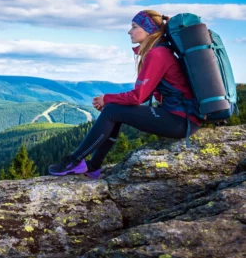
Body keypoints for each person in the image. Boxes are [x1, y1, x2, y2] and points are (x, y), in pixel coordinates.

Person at [48, 10, 201, 179]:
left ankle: (75, 161)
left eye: (134, 27)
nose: (129, 31)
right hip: (182, 118)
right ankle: (92, 167)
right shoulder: (161, 51)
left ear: (149, 29)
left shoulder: (157, 54)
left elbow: (138, 96)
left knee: (112, 110)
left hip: (180, 121)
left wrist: (106, 99)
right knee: (115, 110)